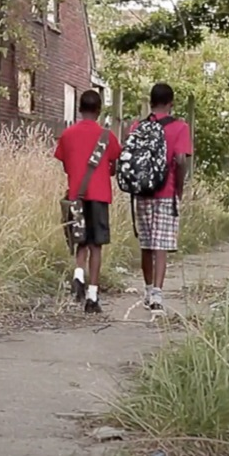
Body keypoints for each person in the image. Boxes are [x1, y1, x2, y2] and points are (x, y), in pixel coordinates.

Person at [54, 90, 121, 313]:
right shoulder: (106, 136)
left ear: (80, 109)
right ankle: (92, 295)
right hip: (99, 196)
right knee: (96, 245)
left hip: (76, 195)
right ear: (99, 110)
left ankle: (77, 274)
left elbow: (65, 165)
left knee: (80, 241)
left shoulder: (68, 134)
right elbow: (115, 162)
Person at [129, 83, 192, 316]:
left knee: (146, 244)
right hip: (166, 192)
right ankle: (157, 294)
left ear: (151, 101)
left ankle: (146, 290)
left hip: (143, 192)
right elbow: (180, 160)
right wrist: (179, 188)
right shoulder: (180, 127)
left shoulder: (138, 126)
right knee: (161, 245)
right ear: (171, 103)